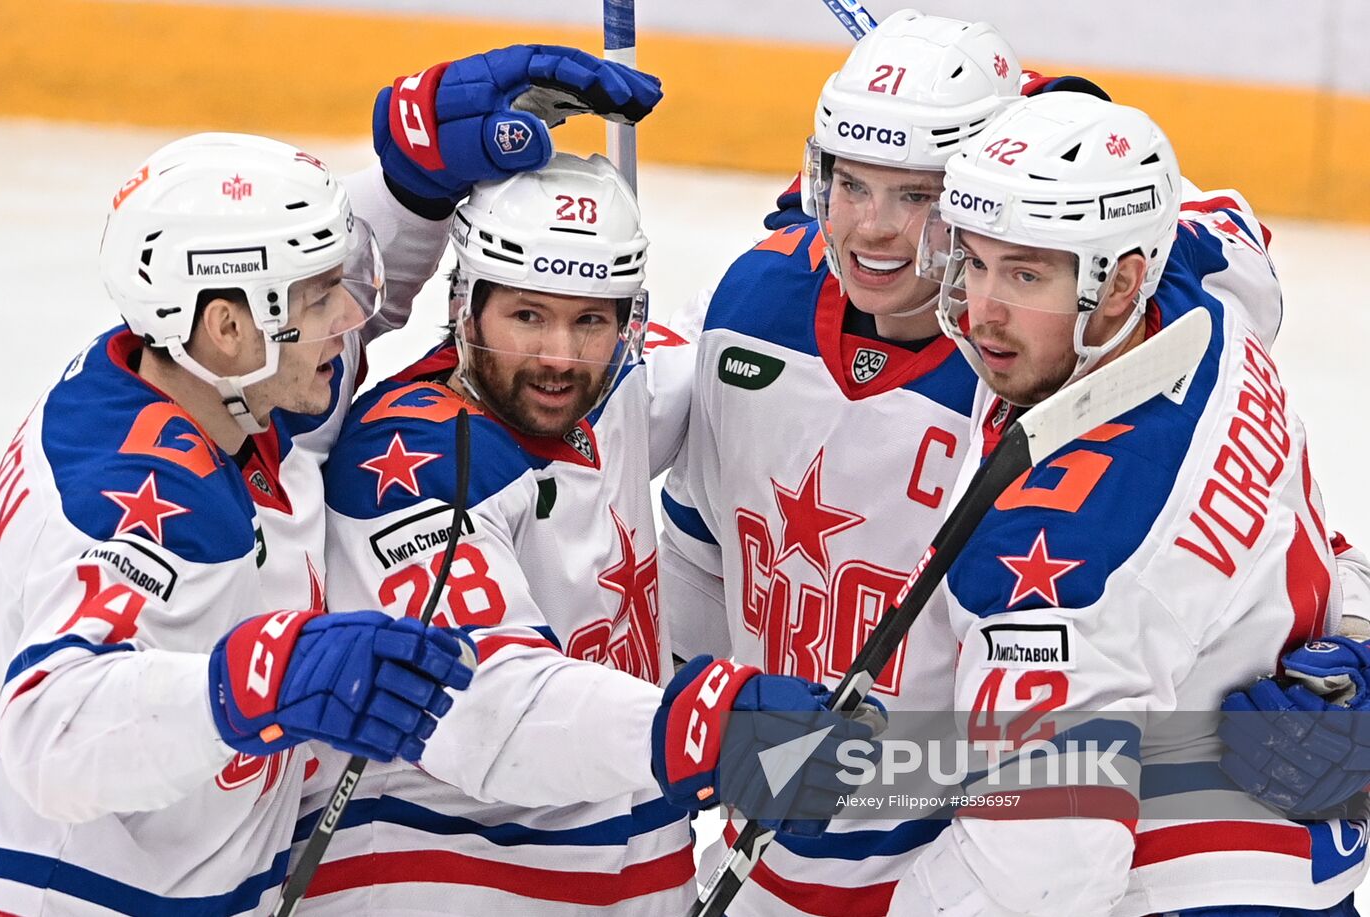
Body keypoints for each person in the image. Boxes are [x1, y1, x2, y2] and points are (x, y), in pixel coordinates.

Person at [0, 43, 664, 914]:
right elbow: (54, 727)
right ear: (227, 326)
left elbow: (311, 333)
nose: (357, 316)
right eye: (320, 297)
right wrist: (259, 680)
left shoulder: (216, 387)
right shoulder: (144, 497)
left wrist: (414, 178)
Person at [298, 151, 873, 914]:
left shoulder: (613, 386)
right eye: (528, 316)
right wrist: (706, 722)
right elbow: (489, 706)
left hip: (620, 880)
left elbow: (726, 351)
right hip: (449, 881)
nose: (559, 358)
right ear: (466, 305)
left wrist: (834, 250)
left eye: (589, 319)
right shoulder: (409, 468)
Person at [885, 91, 1366, 916]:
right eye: (977, 260)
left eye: (1027, 273)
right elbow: (1214, 213)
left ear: (1121, 282)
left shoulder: (1061, 564)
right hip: (1300, 856)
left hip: (1182, 891)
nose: (984, 310)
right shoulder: (1207, 286)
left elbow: (1034, 881)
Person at [656, 10, 1029, 913]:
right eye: (851, 184)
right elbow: (700, 554)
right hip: (767, 852)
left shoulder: (1032, 367)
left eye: (916, 197)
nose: (876, 230)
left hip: (969, 862)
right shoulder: (756, 304)